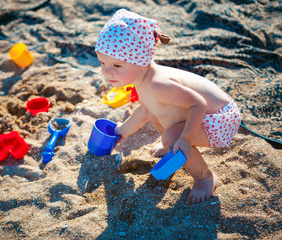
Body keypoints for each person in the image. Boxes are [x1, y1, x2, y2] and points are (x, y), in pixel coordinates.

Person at [95, 9, 241, 204]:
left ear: (140, 61)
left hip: (220, 118)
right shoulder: (142, 78)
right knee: (157, 114)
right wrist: (122, 131)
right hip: (199, 110)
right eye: (102, 62)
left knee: (173, 137)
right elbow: (145, 110)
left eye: (117, 66)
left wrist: (186, 139)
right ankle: (171, 144)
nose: (106, 71)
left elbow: (199, 104)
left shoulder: (158, 84)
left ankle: (205, 178)